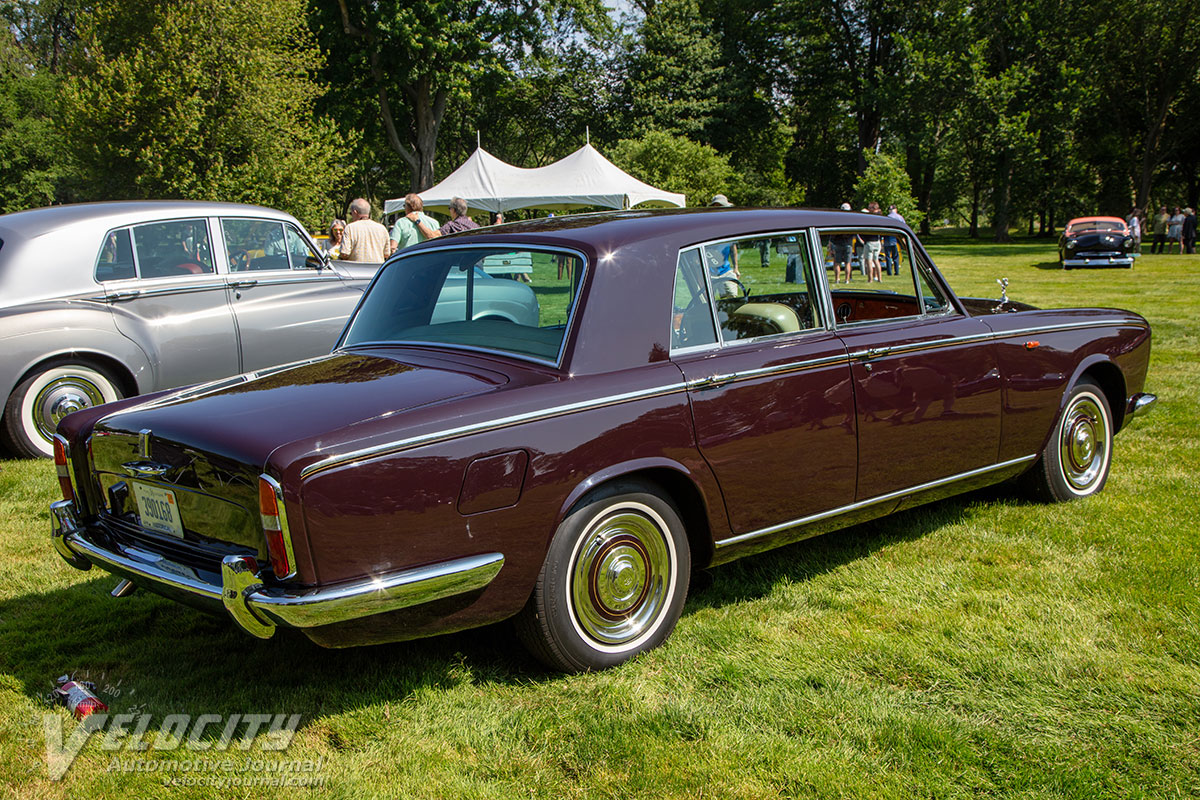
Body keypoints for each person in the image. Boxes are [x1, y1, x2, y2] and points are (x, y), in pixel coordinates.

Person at [884, 204, 905, 275]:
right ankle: (897, 271)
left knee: (887, 256)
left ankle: (889, 272)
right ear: (896, 210)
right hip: (896, 238)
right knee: (896, 255)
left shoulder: (886, 217)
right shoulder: (899, 217)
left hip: (887, 238)